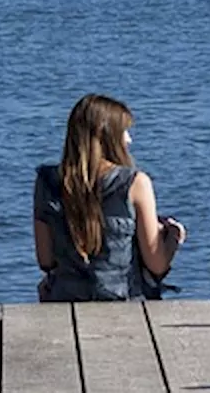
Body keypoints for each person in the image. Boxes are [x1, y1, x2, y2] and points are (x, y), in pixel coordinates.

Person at [34, 93, 187, 301]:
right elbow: (157, 263)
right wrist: (174, 236)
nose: (129, 139)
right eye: (124, 132)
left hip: (65, 301)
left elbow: (46, 260)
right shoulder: (135, 182)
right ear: (108, 136)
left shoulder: (47, 181)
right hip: (123, 301)